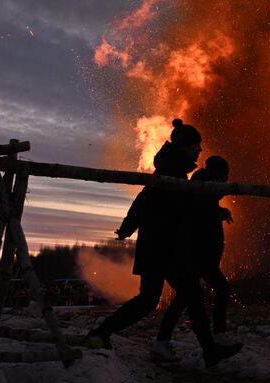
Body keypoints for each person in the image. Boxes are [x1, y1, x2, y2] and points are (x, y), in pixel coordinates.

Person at [88, 120, 242, 367]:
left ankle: (102, 333)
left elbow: (146, 199)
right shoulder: (172, 171)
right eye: (196, 145)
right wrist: (130, 225)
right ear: (185, 147)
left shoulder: (173, 169)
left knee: (153, 298)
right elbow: (175, 204)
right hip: (165, 245)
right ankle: (209, 350)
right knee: (187, 293)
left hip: (160, 244)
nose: (200, 150)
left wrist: (129, 226)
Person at [154, 155, 235, 361]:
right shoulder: (201, 187)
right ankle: (217, 338)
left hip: (199, 256)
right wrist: (219, 213)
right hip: (197, 256)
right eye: (225, 174)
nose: (227, 178)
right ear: (218, 173)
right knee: (214, 290)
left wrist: (219, 211)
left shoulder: (203, 189)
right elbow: (200, 211)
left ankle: (166, 342)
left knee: (185, 298)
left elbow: (203, 208)